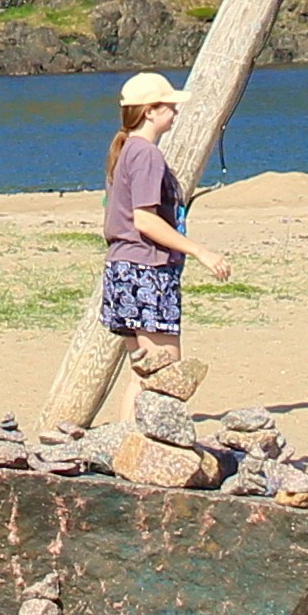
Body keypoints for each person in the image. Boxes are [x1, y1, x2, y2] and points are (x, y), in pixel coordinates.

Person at [98, 71, 231, 395]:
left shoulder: (127, 149)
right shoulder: (145, 153)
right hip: (147, 272)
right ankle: (147, 444)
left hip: (124, 271)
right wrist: (200, 251)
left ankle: (128, 443)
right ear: (150, 111)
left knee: (143, 378)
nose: (175, 112)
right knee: (165, 378)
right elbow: (145, 220)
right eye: (169, 106)